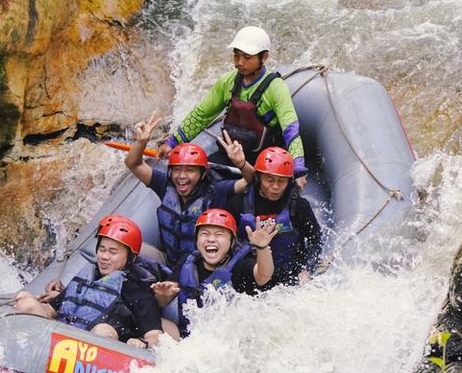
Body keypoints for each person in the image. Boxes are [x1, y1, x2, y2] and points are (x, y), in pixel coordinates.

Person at [155, 26, 308, 191]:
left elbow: (290, 129)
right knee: (200, 185)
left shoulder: (276, 88)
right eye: (236, 55)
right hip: (228, 155)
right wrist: (173, 142)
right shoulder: (227, 81)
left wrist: (298, 168)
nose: (240, 62)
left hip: (262, 160)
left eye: (247, 57)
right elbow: (201, 115)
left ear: (264, 57)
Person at [125, 111, 255, 269]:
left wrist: (241, 163)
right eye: (177, 170)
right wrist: (141, 142)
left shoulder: (217, 191)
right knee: (122, 245)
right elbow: (133, 164)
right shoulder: (164, 185)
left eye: (190, 170)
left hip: (201, 267)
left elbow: (251, 180)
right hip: (169, 262)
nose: (182, 176)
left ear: (202, 174)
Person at [13, 215, 164, 349]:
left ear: (131, 257)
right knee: (25, 303)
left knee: (103, 331)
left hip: (94, 359)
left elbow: (155, 336)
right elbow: (52, 310)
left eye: (113, 252)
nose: (105, 256)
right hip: (59, 344)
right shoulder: (86, 278)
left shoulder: (138, 294)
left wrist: (142, 343)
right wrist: (31, 302)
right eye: (102, 249)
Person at [152, 209, 278, 337]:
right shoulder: (188, 261)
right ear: (197, 240)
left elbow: (263, 276)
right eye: (205, 234)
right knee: (156, 323)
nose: (211, 239)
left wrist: (262, 248)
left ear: (231, 242)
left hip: (228, 339)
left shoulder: (241, 265)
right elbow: (164, 299)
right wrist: (163, 296)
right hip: (190, 336)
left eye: (219, 234)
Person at [227, 147, 322, 287]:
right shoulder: (238, 204)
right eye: (269, 180)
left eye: (282, 181)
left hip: (290, 276)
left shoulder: (299, 206)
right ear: (258, 177)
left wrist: (307, 269)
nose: (276, 187)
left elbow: (316, 240)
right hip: (252, 277)